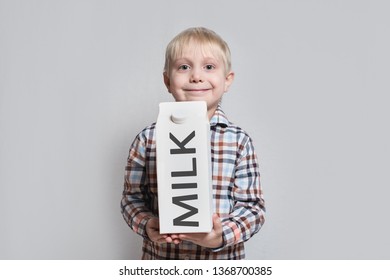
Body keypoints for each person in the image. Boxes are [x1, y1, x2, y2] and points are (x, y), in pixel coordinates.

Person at [121, 27, 265, 259]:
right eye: (184, 67)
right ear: (168, 80)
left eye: (209, 67)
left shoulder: (239, 141)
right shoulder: (148, 139)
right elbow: (132, 199)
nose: (196, 76)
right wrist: (147, 224)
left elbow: (253, 208)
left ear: (227, 81)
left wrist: (221, 236)